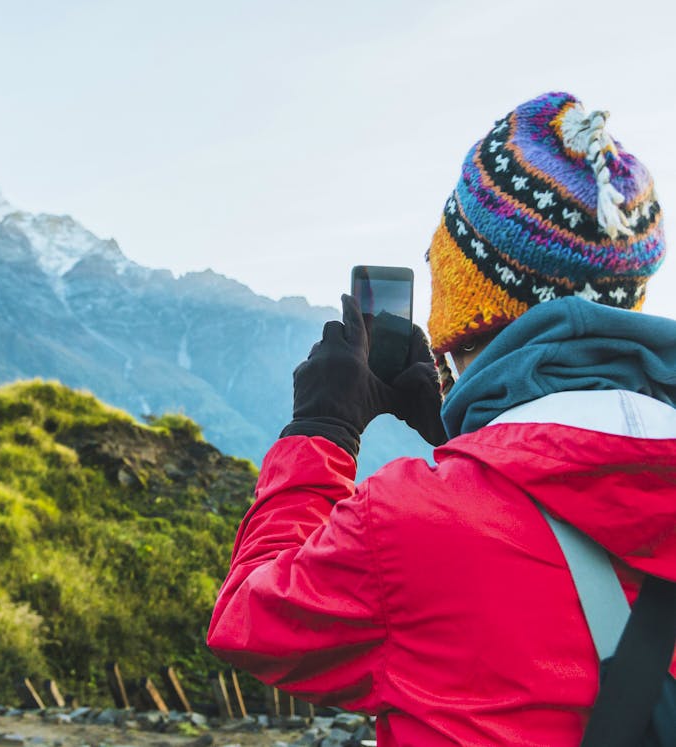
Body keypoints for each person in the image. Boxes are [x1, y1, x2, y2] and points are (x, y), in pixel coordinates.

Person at [206, 91, 676, 746]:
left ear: (465, 301)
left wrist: (321, 429)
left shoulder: (409, 525)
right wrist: (471, 435)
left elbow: (250, 617)